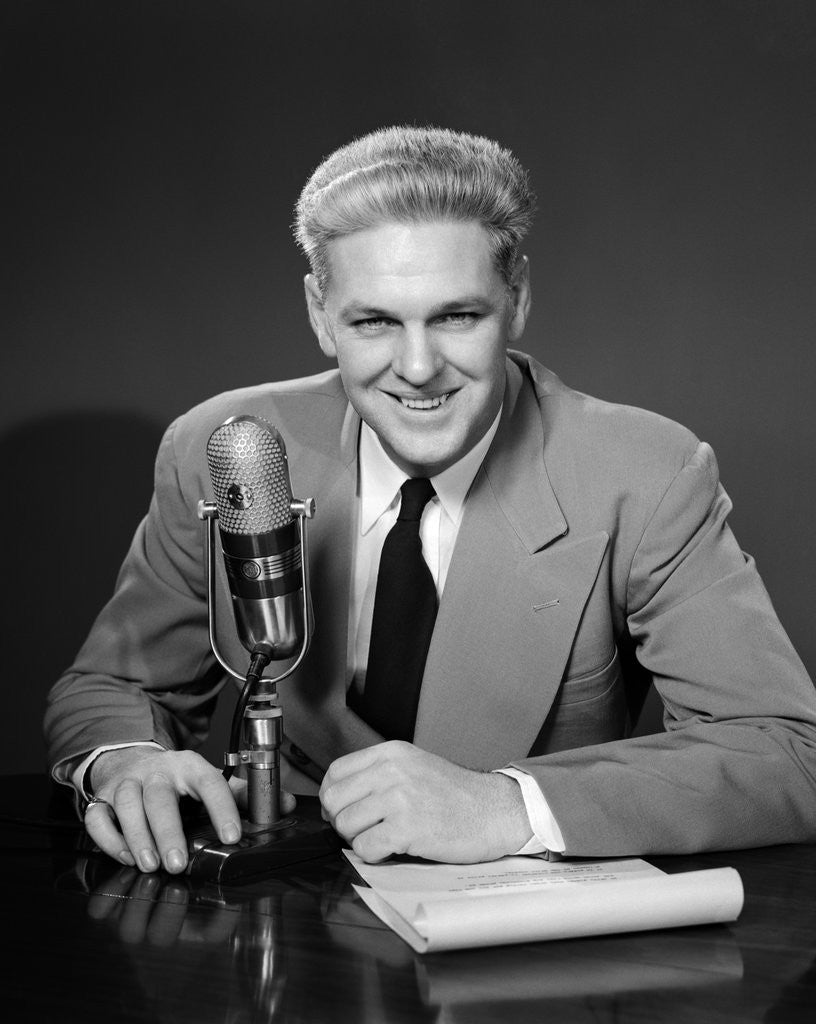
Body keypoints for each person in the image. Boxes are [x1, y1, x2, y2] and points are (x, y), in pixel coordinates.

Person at [45, 126, 816, 876]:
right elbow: (114, 685)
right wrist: (124, 762)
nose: (418, 367)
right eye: (375, 321)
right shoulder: (231, 445)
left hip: (525, 953)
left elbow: (788, 752)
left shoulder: (646, 472)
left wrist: (505, 807)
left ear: (515, 302)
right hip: (286, 928)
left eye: (456, 316)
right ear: (320, 314)